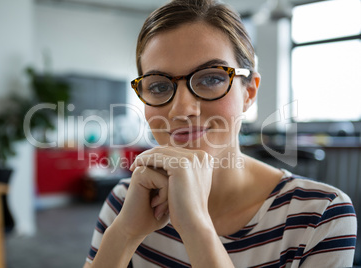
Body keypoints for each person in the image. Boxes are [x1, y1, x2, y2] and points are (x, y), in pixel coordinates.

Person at [83, 0, 357, 267]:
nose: (182, 110)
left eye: (211, 79)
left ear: (248, 92)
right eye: (158, 86)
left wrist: (196, 227)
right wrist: (125, 234)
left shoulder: (320, 215)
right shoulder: (127, 200)